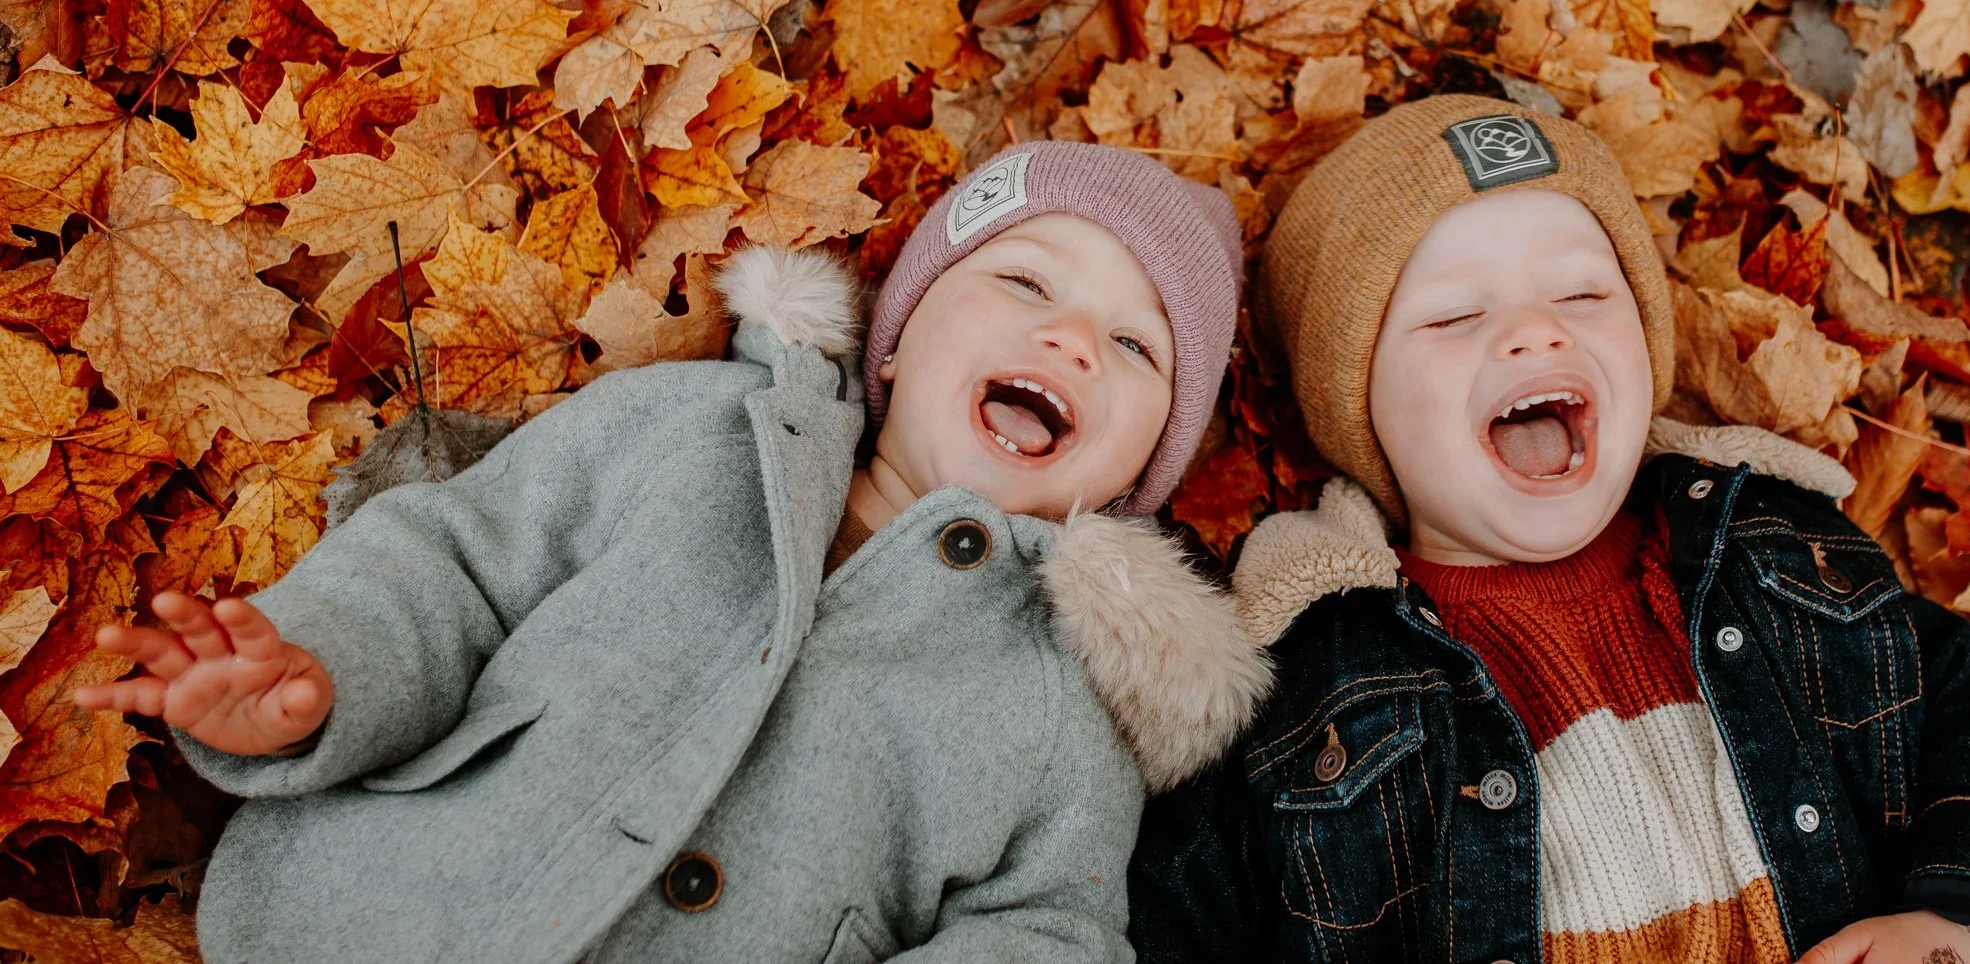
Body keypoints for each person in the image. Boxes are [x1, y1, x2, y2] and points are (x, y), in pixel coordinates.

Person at [78, 140, 1272, 964]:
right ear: (897, 342)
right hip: (394, 911)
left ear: (1135, 478)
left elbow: (1044, 929)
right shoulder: (691, 430)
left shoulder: (1068, 702)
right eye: (1022, 281)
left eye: (1133, 347)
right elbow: (453, 562)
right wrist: (324, 670)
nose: (1067, 339)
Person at [1128, 95, 1970, 964]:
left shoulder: (1770, 547)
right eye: (1454, 315)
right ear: (1357, 410)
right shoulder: (1305, 683)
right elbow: (1178, 915)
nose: (1532, 330)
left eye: (1584, 295)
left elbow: (1959, 698)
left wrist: (1959, 915)